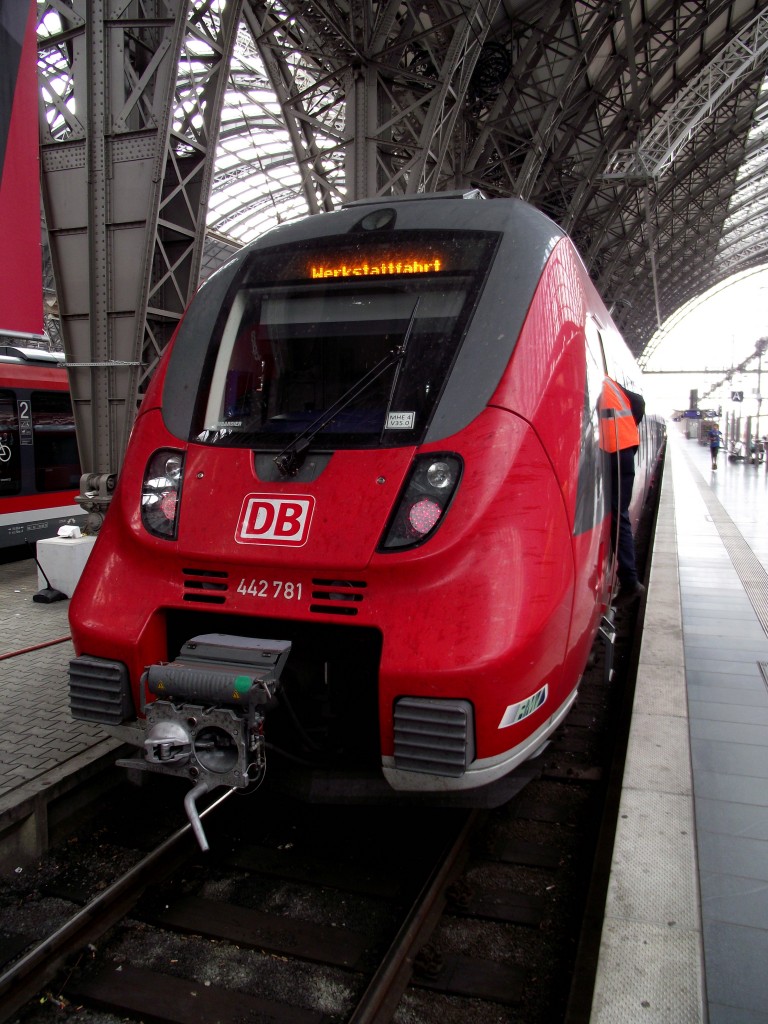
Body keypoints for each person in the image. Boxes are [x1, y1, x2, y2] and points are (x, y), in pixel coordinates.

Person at [600, 376, 646, 606]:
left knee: (619, 514)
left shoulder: (589, 374)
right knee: (620, 513)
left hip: (614, 449)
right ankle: (629, 579)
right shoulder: (609, 382)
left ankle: (630, 581)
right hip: (624, 446)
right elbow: (637, 402)